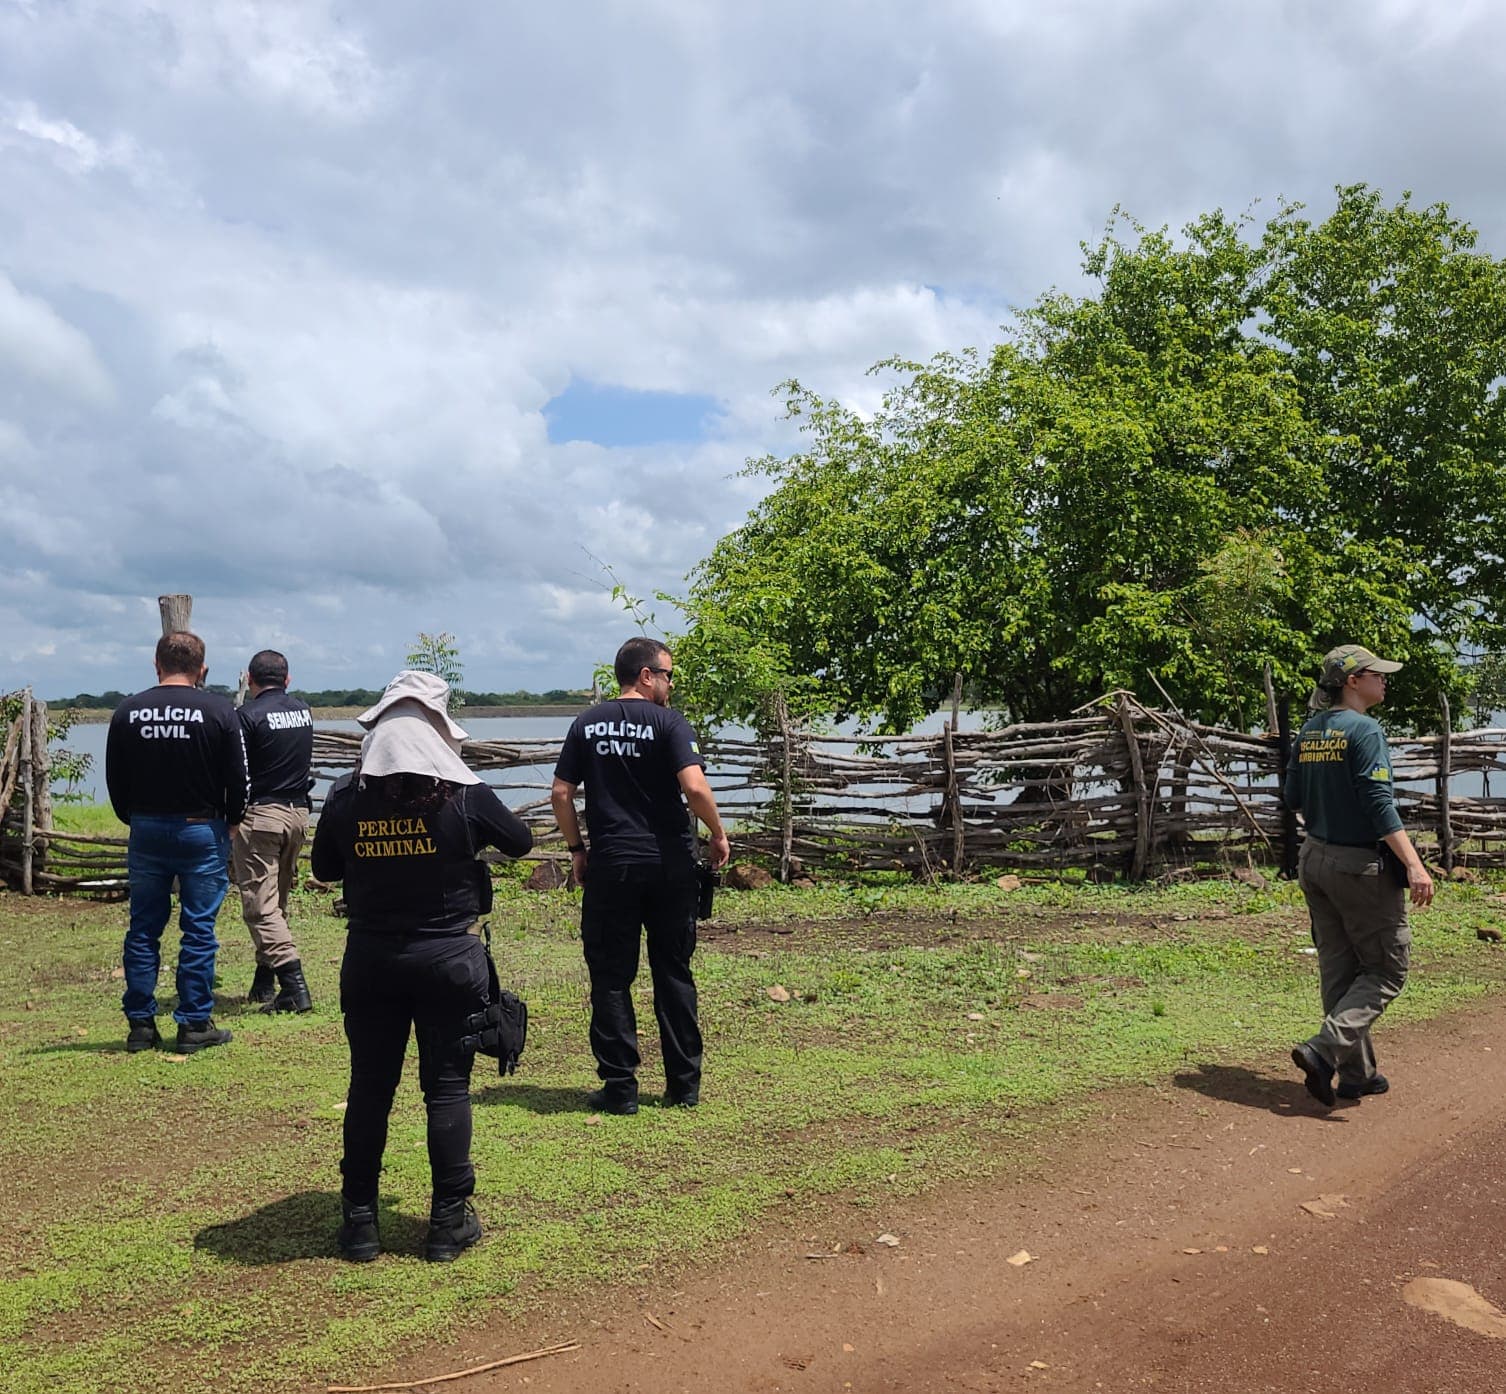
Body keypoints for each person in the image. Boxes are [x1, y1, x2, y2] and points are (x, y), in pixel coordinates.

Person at [310, 670, 532, 1263]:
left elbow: (326, 868)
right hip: (449, 963)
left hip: (372, 960)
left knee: (370, 1088)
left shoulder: (345, 795)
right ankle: (446, 1223)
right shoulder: (465, 795)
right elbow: (522, 841)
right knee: (448, 1088)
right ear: (440, 731)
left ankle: (360, 1223)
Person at [550, 637, 730, 1116]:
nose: (671, 684)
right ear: (646, 676)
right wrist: (717, 833)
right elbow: (693, 786)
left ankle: (620, 1089)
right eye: (668, 675)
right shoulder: (669, 722)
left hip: (613, 865)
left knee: (611, 976)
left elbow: (562, 793)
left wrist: (576, 850)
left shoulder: (586, 724)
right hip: (670, 865)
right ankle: (684, 1087)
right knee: (673, 972)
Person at [1283, 644, 1434, 1108]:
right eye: (1377, 674)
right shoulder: (1365, 730)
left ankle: (1357, 1075)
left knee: (1339, 967)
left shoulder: (1310, 731)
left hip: (1315, 859)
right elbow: (1377, 802)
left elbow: (1292, 798)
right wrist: (1413, 863)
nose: (1384, 680)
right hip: (1358, 866)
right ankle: (1323, 1050)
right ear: (1352, 681)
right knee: (1387, 969)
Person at [105, 631, 248, 1054]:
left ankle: (141, 1025)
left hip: (146, 828)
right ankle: (194, 1023)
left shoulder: (127, 712)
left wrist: (135, 819)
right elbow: (239, 779)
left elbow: (115, 782)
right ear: (202, 669)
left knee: (143, 928)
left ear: (156, 665)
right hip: (202, 829)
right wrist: (234, 821)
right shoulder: (220, 710)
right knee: (199, 929)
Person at [234, 649, 315, 1013]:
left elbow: (240, 774)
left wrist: (233, 817)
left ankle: (294, 987)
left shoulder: (246, 716)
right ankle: (264, 981)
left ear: (250, 681)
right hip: (297, 814)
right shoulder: (303, 711)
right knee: (277, 900)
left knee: (259, 906)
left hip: (262, 816)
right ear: (287, 679)